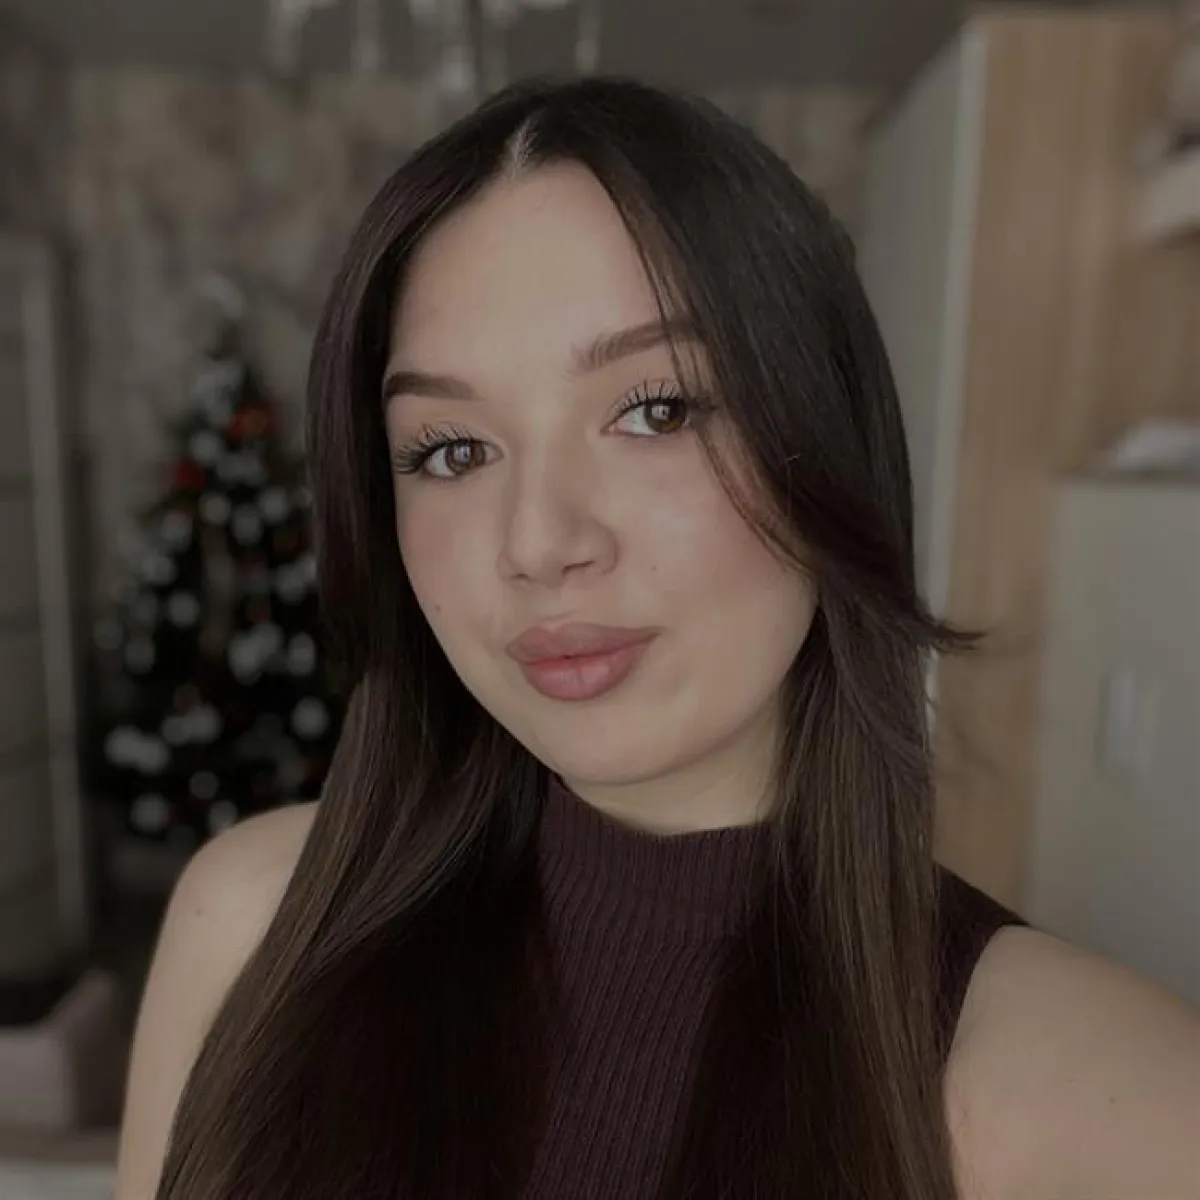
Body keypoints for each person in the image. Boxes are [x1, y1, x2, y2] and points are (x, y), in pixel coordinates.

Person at [113, 77, 1199, 1200]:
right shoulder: (247, 924)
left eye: (656, 411)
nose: (539, 542)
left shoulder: (1090, 1098)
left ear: (823, 437)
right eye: (451, 450)